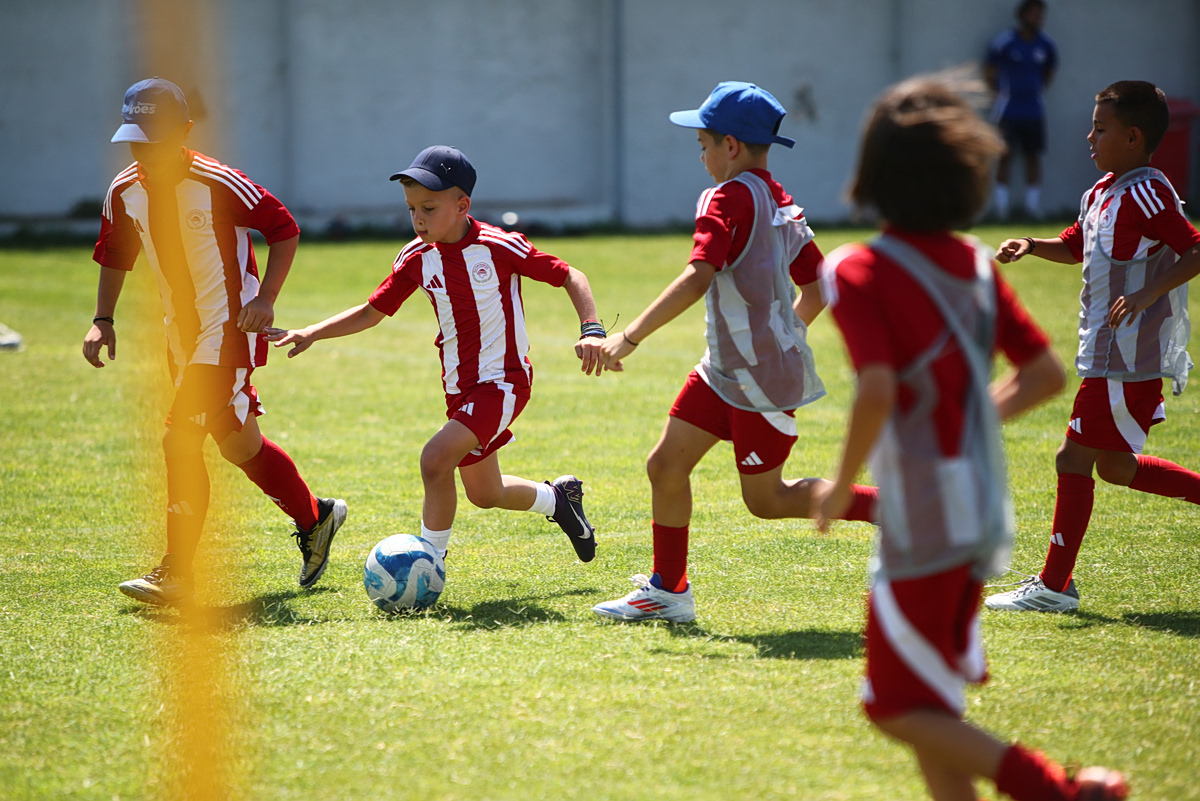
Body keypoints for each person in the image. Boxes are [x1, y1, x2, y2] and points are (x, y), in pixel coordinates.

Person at [814, 75, 1127, 801]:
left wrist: (838, 483)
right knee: (934, 703)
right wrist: (968, 416)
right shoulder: (977, 268)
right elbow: (1046, 373)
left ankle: (1058, 790)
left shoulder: (856, 268)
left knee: (890, 704)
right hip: (981, 504)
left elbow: (879, 386)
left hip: (921, 515)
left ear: (872, 174)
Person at [590, 82, 878, 624]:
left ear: (730, 146)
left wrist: (628, 338)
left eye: (702, 142)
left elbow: (698, 276)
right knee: (665, 466)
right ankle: (668, 590)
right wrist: (781, 335)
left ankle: (892, 509)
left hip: (758, 380)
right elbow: (817, 286)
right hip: (726, 370)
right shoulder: (777, 197)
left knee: (767, 500)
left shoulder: (725, 196)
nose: (698, 153)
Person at [266, 146, 603, 569]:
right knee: (485, 493)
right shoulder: (416, 258)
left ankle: (426, 565)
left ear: (462, 206)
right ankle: (559, 500)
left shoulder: (500, 246)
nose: (418, 219)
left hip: (503, 381)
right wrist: (314, 332)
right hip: (460, 389)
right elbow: (373, 311)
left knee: (435, 459)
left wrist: (591, 327)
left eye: (428, 207)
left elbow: (571, 275)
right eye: (411, 209)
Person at [85, 77, 347, 606]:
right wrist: (103, 318)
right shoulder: (125, 190)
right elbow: (116, 252)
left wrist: (267, 298)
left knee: (177, 439)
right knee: (237, 444)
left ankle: (176, 572)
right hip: (180, 338)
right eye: (135, 140)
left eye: (154, 139)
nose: (144, 151)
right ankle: (316, 518)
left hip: (229, 332)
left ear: (182, 132)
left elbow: (284, 227)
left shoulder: (220, 182)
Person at [985, 80, 1200, 613]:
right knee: (1115, 467)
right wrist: (1033, 247)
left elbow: (1194, 247)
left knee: (1072, 458)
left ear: (1132, 137)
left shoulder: (1148, 190)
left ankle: (1055, 586)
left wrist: (1150, 290)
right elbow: (1076, 245)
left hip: (1126, 359)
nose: (1090, 136)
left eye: (1100, 128)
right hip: (1104, 352)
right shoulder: (1101, 191)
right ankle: (1056, 585)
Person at [985, 0, 1058, 220]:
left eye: (1040, 15)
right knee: (1005, 155)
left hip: (1034, 110)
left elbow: (1049, 72)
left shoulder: (1045, 45)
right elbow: (989, 69)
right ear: (1023, 15)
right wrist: (998, 93)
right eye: (1033, 14)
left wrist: (1036, 90)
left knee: (1033, 156)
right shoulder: (1005, 42)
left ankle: (1032, 208)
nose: (1037, 19)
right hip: (1008, 110)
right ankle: (1001, 209)